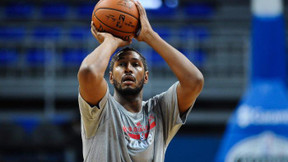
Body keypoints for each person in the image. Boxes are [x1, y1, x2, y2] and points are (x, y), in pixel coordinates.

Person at [77, 1, 204, 161]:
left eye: (135, 64)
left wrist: (150, 36)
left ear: (146, 77)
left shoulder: (160, 111)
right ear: (110, 76)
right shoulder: (101, 112)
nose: (128, 68)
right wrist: (111, 41)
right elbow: (88, 72)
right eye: (121, 64)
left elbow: (195, 81)